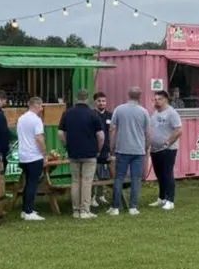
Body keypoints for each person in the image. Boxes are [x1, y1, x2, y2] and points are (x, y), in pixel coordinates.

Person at [58, 89, 105, 219]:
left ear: (76, 98)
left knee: (75, 181)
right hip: (90, 153)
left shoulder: (67, 113)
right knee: (86, 182)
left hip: (73, 152)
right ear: (88, 99)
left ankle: (76, 210)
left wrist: (66, 145)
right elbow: (100, 135)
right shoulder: (93, 114)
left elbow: (60, 133)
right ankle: (84, 210)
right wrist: (98, 149)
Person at [109, 87, 150, 215]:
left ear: (128, 95)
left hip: (122, 149)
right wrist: (146, 146)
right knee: (136, 178)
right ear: (140, 96)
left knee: (119, 177)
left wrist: (112, 145)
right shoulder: (144, 112)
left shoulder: (119, 109)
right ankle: (133, 207)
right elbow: (148, 132)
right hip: (138, 150)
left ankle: (115, 207)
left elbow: (113, 128)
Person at [148, 90, 183, 210]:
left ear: (166, 100)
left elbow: (178, 130)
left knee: (167, 174)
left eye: (159, 99)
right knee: (159, 174)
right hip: (155, 149)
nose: (157, 101)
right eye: (155, 99)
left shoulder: (171, 113)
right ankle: (161, 198)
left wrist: (168, 142)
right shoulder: (154, 113)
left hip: (168, 149)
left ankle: (170, 200)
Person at [16, 97, 47, 221]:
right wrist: (44, 153)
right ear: (36, 106)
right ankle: (28, 212)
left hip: (23, 155)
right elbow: (39, 138)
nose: (42, 108)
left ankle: (25, 209)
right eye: (41, 106)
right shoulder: (36, 120)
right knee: (32, 184)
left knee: (27, 183)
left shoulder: (21, 118)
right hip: (34, 155)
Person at [92, 91, 113, 208]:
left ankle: (101, 195)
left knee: (103, 174)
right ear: (95, 102)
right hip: (94, 150)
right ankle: (92, 197)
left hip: (106, 150)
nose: (101, 103)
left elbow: (112, 132)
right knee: (93, 174)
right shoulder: (92, 115)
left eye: (103, 101)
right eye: (99, 101)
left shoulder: (110, 115)